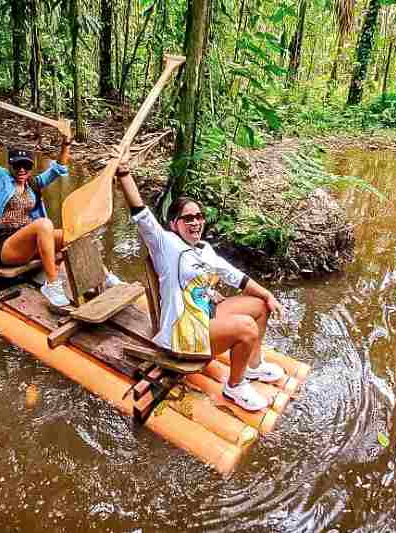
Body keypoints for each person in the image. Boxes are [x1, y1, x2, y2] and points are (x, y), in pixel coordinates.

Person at [115, 162, 286, 412]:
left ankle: (253, 365)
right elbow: (140, 213)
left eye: (199, 217)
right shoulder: (165, 244)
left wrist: (268, 294)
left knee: (259, 305)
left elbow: (235, 276)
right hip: (182, 335)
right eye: (187, 218)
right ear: (174, 224)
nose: (195, 222)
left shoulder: (205, 250)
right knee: (246, 327)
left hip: (204, 318)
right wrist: (124, 175)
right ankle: (235, 387)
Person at [0, 90, 74, 306]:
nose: (22, 170)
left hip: (28, 242)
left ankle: (104, 277)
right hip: (5, 247)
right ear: (10, 165)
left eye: (26, 166)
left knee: (73, 234)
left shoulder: (33, 184)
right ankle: (52, 284)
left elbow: (59, 168)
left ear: (31, 168)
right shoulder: (0, 178)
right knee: (43, 224)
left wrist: (66, 143)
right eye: (17, 166)